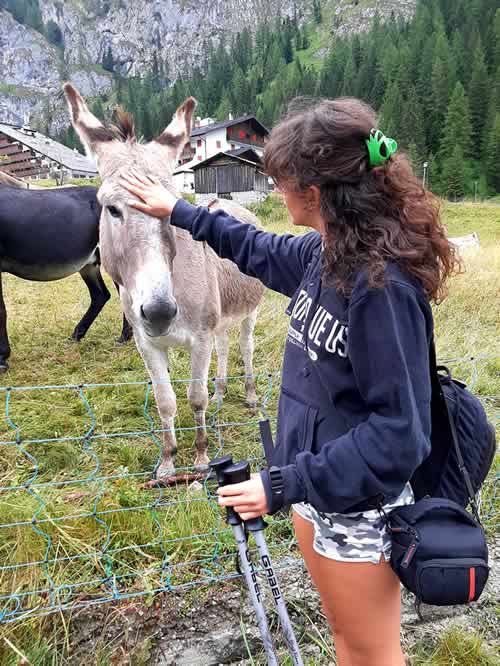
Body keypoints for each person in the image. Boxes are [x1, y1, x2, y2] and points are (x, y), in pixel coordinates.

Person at [121, 97, 459, 666]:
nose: (276, 192)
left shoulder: (381, 289)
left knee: (372, 651)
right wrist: (178, 210)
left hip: (360, 515)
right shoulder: (322, 256)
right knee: (347, 642)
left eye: (282, 182)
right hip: (314, 496)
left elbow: (401, 435)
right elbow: (254, 247)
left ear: (316, 194)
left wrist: (279, 486)